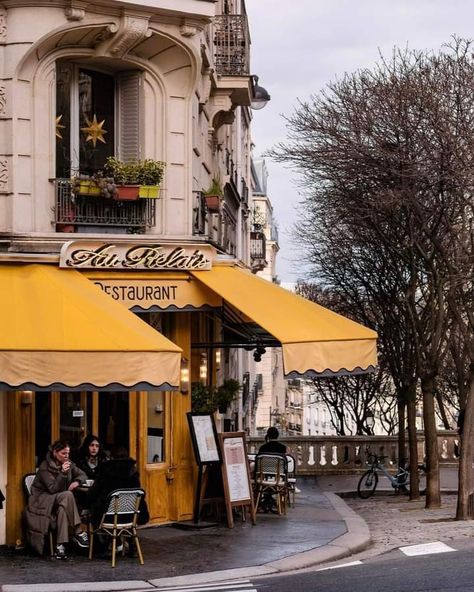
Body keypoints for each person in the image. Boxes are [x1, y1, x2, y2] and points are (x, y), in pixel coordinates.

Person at [25, 440, 89, 560]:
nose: (67, 456)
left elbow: (83, 474)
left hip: (59, 499)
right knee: (68, 495)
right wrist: (63, 473)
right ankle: (78, 531)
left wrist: (76, 481)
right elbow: (53, 489)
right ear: (55, 453)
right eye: (64, 453)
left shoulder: (68, 463)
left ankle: (60, 546)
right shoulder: (45, 467)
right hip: (42, 500)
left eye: (68, 453)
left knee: (62, 509)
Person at [87, 446, 149, 532]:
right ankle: (124, 540)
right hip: (130, 516)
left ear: (111, 457)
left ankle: (103, 543)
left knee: (94, 509)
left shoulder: (105, 471)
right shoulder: (133, 472)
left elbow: (93, 494)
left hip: (108, 517)